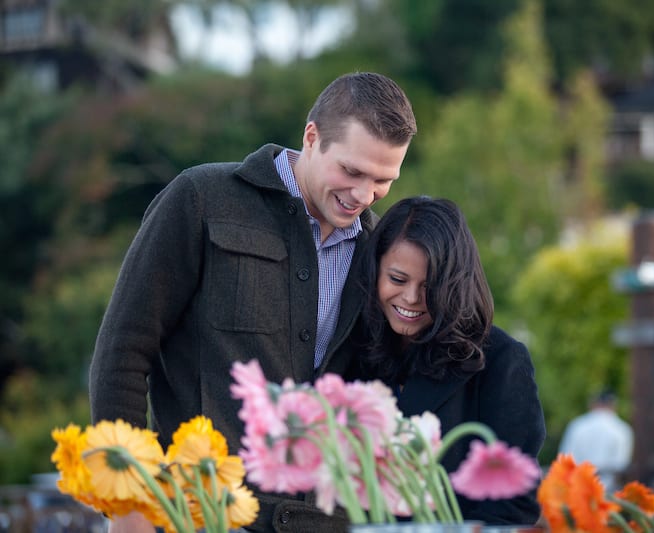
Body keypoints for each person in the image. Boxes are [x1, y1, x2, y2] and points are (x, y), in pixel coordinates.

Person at [88, 72, 417, 533]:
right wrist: (126, 500)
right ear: (311, 137)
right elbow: (123, 348)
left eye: (383, 180)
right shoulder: (202, 199)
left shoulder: (382, 253)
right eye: (352, 170)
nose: (363, 195)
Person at [346, 196, 547, 525]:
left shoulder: (500, 359)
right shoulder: (353, 351)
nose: (411, 298)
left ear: (455, 284)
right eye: (397, 279)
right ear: (374, 270)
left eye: (430, 286)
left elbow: (514, 502)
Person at [558, 390, 634, 492]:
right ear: (613, 405)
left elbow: (564, 459)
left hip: (578, 489)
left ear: (592, 404)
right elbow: (622, 465)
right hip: (610, 492)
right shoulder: (622, 429)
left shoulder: (577, 425)